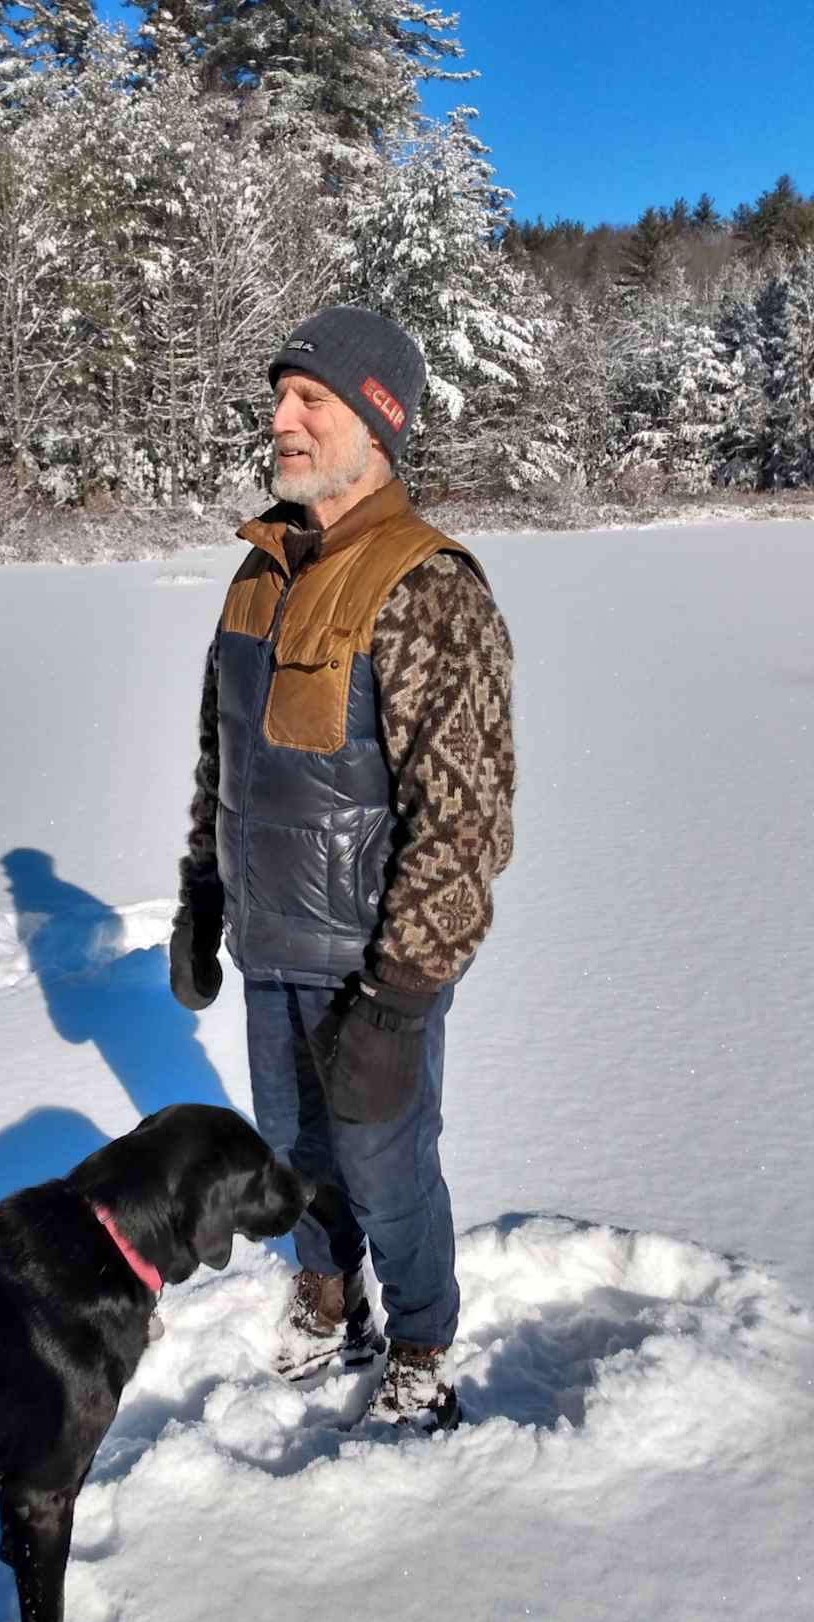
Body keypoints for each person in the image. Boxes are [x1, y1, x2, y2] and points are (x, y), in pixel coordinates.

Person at [169, 306, 515, 1431]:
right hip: (268, 935)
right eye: (279, 397)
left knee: (387, 1161)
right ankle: (330, 1295)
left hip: (372, 959)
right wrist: (197, 892)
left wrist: (401, 997)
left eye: (309, 399)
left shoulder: (429, 586)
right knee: (291, 1152)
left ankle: (419, 1339)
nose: (281, 419)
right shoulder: (255, 573)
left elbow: (462, 823)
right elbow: (222, 758)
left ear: (378, 421)